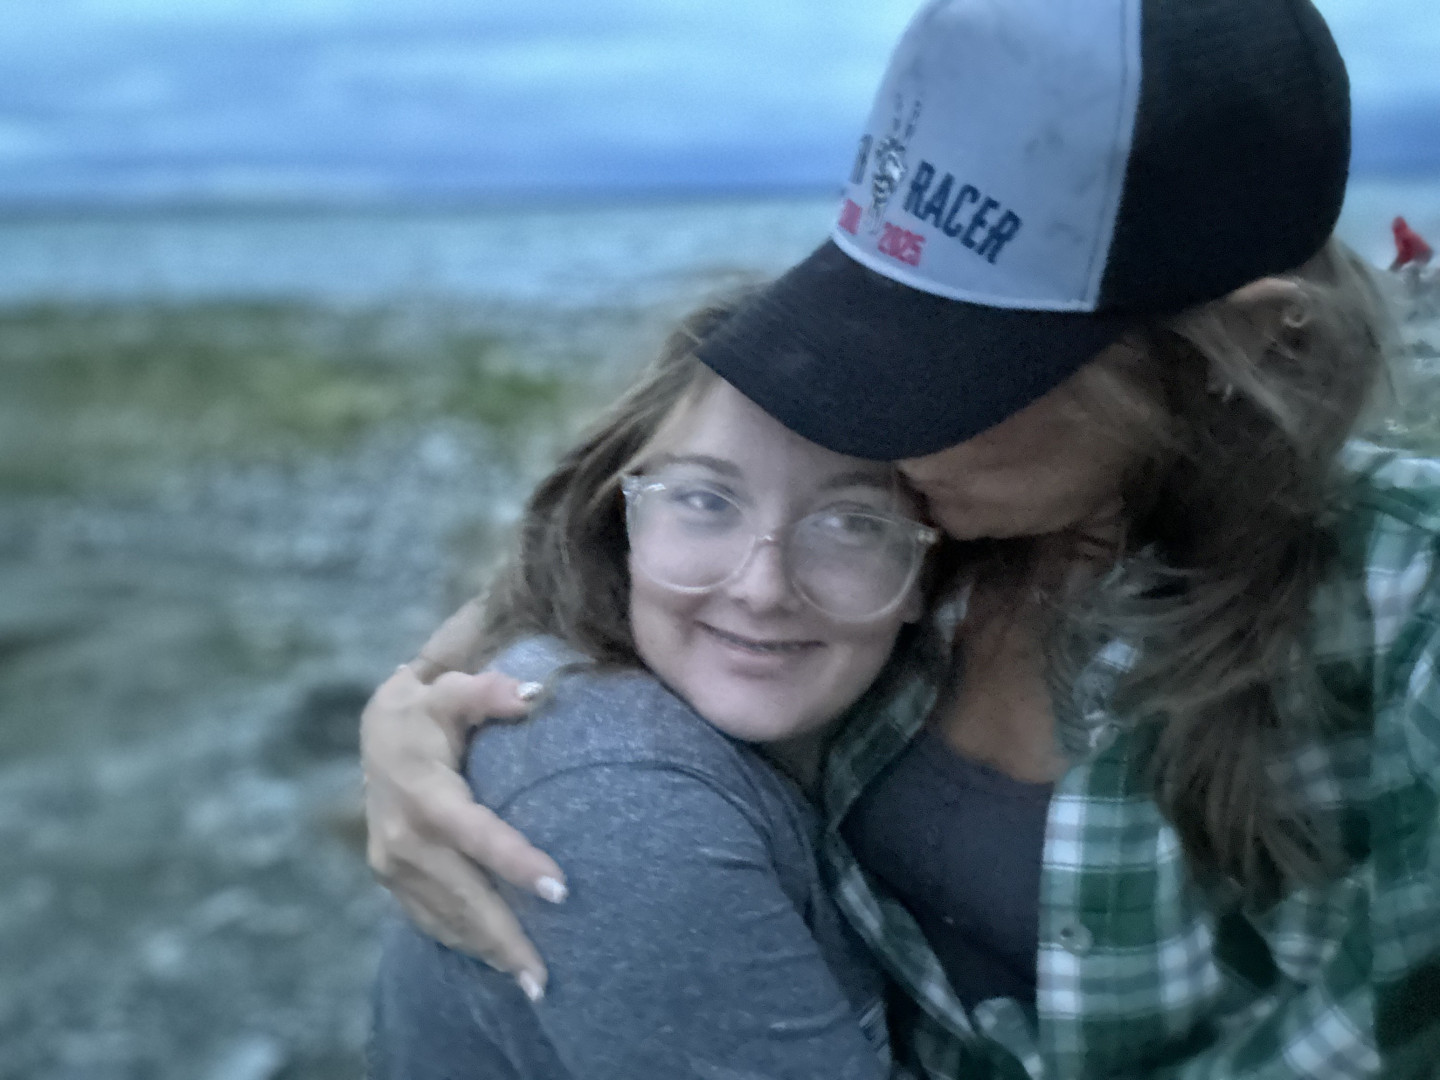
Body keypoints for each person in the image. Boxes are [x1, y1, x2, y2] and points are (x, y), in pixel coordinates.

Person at [361, 0, 1440, 1076]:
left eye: (972, 363)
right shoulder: (944, 511)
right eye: (888, 322)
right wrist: (412, 717)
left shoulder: (1407, 609)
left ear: (1245, 337)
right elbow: (601, 565)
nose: (887, 420)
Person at [369, 294, 955, 1080]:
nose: (763, 588)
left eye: (852, 522)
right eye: (706, 501)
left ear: (925, 571)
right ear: (622, 527)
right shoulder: (618, 785)